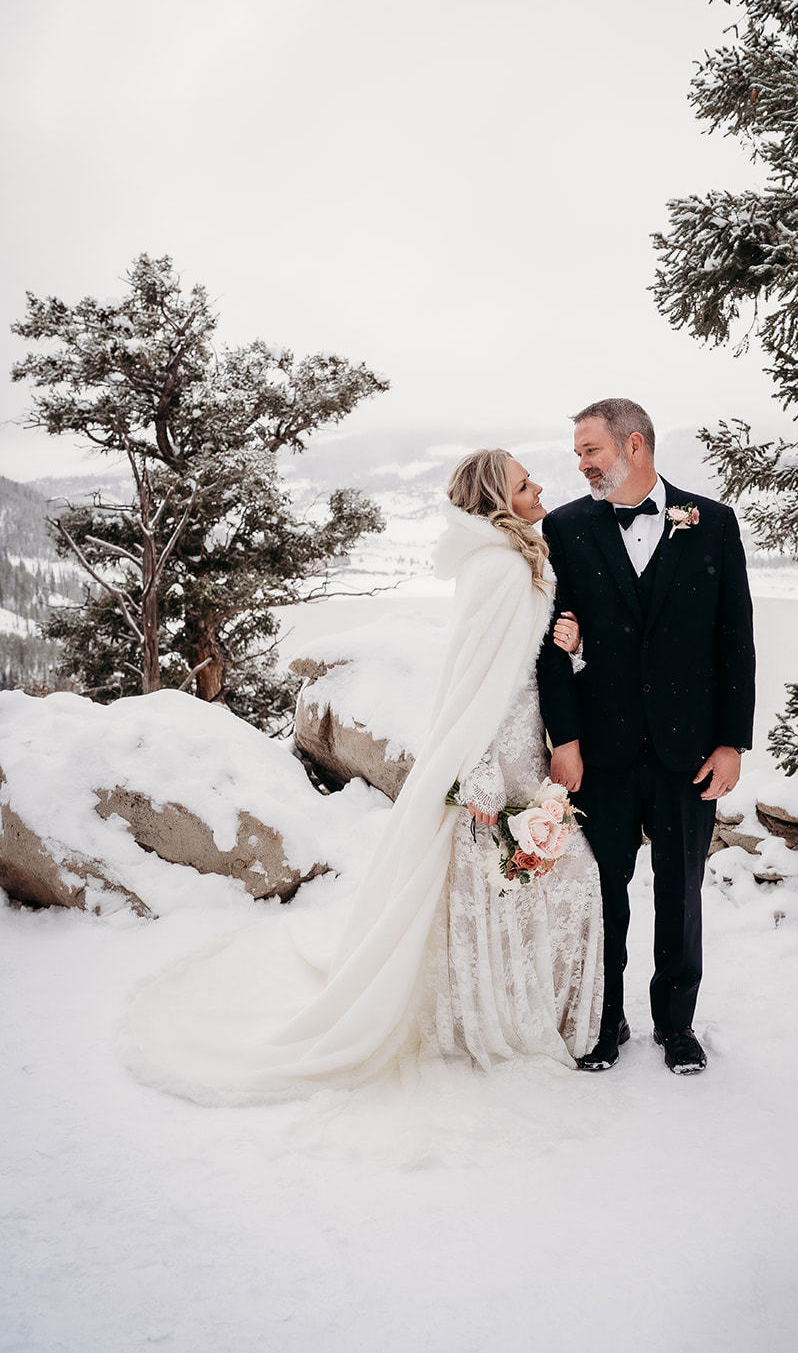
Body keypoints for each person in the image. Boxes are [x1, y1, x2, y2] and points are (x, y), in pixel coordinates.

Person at [122, 450, 603, 1102]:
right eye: (523, 483)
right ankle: (487, 1018)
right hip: (494, 750)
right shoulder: (496, 568)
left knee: (528, 882)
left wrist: (565, 655)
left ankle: (518, 1007)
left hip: (524, 746)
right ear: (496, 499)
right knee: (505, 881)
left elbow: (518, 665)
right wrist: (480, 774)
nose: (539, 486)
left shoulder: (516, 561)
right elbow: (473, 681)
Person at [536, 399, 755, 1076]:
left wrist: (731, 744)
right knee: (601, 891)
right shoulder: (564, 528)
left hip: (687, 749)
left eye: (590, 449)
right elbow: (549, 645)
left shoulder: (710, 522)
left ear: (634, 446)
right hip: (599, 751)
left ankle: (676, 1024)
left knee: (680, 889)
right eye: (578, 453)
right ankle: (603, 1021)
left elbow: (734, 640)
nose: (580, 463)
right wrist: (564, 740)